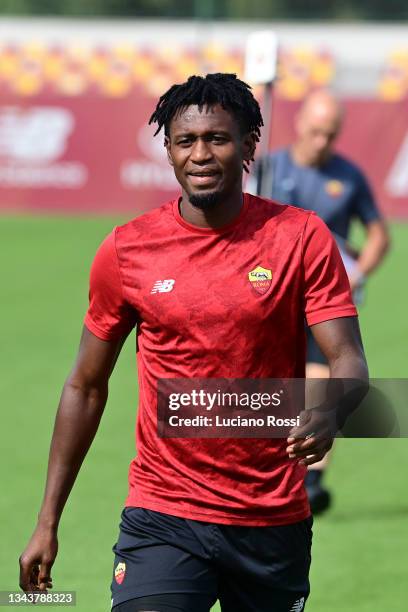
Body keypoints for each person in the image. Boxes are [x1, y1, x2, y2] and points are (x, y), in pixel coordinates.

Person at [19, 74, 368, 612]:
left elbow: (348, 359)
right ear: (168, 149)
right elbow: (85, 386)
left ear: (250, 144)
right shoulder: (127, 250)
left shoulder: (301, 237)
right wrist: (47, 521)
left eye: (217, 139)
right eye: (186, 141)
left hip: (270, 519)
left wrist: (331, 410)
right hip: (164, 513)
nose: (200, 154)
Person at [247, 89, 389, 515]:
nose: (322, 141)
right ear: (300, 124)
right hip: (270, 295)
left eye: (330, 134)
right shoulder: (269, 169)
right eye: (315, 131)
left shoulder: (349, 176)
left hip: (322, 299)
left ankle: (311, 480)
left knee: (319, 380)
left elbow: (379, 233)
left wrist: (359, 271)